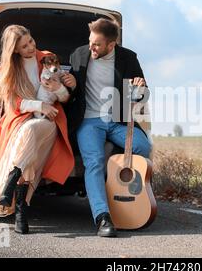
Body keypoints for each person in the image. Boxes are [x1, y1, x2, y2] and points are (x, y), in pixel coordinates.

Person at [0, 25, 75, 234]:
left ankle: (11, 183)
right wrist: (39, 105)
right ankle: (21, 211)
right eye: (24, 46)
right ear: (15, 50)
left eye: (31, 41)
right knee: (26, 141)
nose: (31, 47)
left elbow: (64, 98)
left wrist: (60, 89)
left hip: (49, 121)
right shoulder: (11, 69)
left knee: (30, 132)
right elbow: (13, 103)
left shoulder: (47, 58)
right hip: (20, 120)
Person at [64, 18, 152, 238]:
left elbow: (142, 95)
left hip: (117, 120)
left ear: (111, 45)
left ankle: (126, 195)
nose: (91, 48)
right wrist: (72, 86)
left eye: (97, 45)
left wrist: (140, 89)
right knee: (93, 162)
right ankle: (102, 217)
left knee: (143, 147)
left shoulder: (127, 58)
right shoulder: (79, 54)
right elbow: (71, 93)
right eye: (90, 42)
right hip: (89, 121)